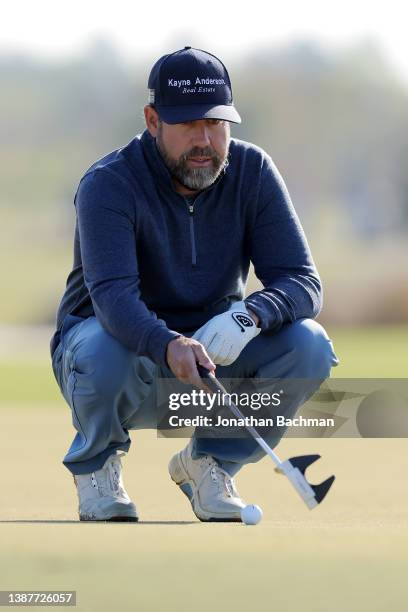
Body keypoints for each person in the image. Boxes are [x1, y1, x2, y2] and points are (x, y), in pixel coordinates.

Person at [50, 46, 339, 522]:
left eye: (216, 123)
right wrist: (168, 343)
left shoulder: (252, 171)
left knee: (309, 344)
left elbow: (302, 281)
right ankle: (97, 467)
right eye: (188, 125)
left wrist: (251, 314)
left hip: (212, 362)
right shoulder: (109, 183)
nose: (204, 140)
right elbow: (114, 299)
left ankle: (209, 463)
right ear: (152, 119)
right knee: (104, 346)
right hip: (116, 356)